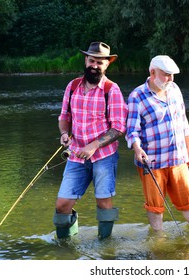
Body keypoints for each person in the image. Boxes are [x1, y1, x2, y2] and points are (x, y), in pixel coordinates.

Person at [54, 42, 128, 239]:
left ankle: (105, 245)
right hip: (76, 157)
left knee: (103, 203)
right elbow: (64, 117)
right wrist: (64, 134)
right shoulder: (72, 86)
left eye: (100, 62)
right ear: (86, 60)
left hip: (104, 157)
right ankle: (66, 247)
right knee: (62, 205)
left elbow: (119, 127)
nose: (95, 65)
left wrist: (93, 146)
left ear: (107, 65)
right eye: (92, 61)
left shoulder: (112, 90)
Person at [125, 55, 189, 232]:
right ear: (152, 72)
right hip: (151, 161)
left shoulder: (174, 89)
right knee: (155, 205)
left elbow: (183, 120)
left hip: (178, 158)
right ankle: (158, 239)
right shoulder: (137, 96)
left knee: (188, 199)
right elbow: (132, 130)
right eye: (166, 74)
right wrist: (137, 149)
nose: (170, 79)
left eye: (172, 75)